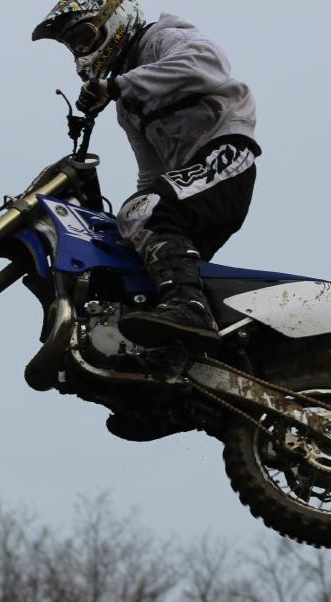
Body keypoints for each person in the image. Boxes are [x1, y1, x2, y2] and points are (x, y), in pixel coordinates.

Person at [33, 0, 260, 349]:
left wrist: (118, 85)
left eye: (83, 37)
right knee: (131, 247)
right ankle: (173, 346)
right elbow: (151, 171)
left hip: (225, 152)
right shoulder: (128, 106)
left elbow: (208, 63)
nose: (80, 50)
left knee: (145, 209)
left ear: (112, 20)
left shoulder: (162, 38)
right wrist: (129, 226)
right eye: (73, 45)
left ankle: (191, 309)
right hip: (189, 178)